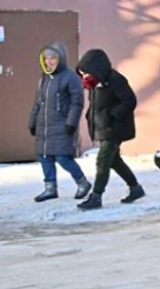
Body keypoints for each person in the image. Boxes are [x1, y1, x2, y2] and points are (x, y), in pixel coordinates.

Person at [74, 48, 144, 210]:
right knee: (114, 161)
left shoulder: (115, 80)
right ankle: (136, 188)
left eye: (86, 72)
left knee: (103, 160)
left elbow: (129, 100)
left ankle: (96, 196)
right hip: (104, 127)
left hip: (115, 128)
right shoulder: (94, 84)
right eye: (82, 73)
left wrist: (113, 115)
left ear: (96, 68)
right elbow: (96, 106)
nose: (84, 76)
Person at [28, 42, 92, 202]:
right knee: (44, 157)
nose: (49, 61)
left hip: (62, 125)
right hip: (44, 126)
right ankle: (50, 189)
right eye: (46, 58)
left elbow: (77, 102)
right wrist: (32, 120)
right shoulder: (43, 78)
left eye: (53, 58)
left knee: (62, 157)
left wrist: (71, 122)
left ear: (60, 59)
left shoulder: (70, 77)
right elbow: (38, 102)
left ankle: (83, 183)